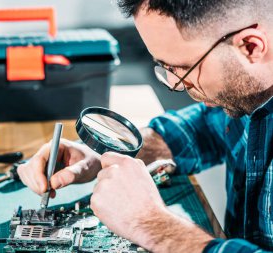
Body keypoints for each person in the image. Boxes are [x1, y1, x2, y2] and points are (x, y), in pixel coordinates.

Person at [17, 0, 273, 252]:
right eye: (165, 67)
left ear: (251, 46)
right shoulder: (247, 95)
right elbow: (206, 127)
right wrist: (103, 154)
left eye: (183, 69)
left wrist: (154, 226)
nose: (175, 85)